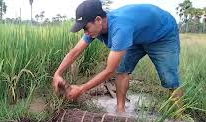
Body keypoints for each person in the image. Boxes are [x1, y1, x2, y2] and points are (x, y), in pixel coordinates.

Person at [53, 0, 183, 112]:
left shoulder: (120, 29)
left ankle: (179, 117)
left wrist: (81, 89)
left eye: (86, 28)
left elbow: (109, 71)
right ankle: (120, 110)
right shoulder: (95, 30)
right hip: (136, 35)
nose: (85, 32)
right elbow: (75, 51)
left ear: (98, 20)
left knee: (170, 79)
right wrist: (57, 74)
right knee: (122, 71)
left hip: (162, 34)